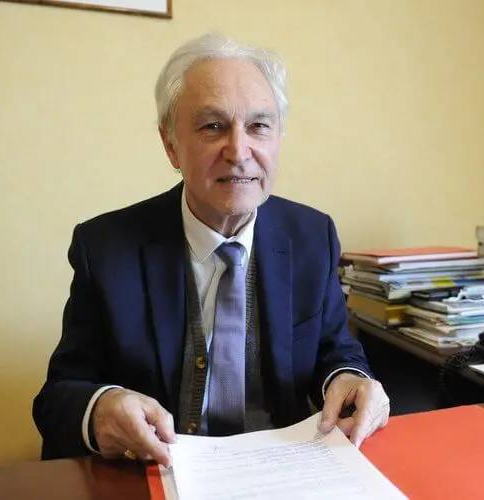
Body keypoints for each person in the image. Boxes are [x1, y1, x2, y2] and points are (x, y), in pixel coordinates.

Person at [32, 32, 390, 467]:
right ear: (171, 145)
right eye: (212, 126)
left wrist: (350, 378)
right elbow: (59, 396)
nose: (238, 152)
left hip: (283, 470)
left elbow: (336, 351)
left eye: (259, 126)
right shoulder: (106, 248)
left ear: (278, 136)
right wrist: (102, 408)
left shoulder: (312, 236)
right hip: (161, 469)